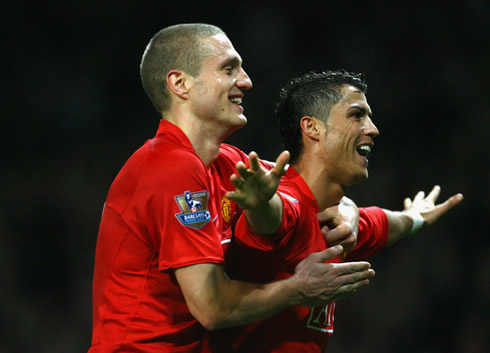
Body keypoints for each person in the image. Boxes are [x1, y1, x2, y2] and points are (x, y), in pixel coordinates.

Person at [88, 25, 376, 353]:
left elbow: (310, 185)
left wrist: (346, 209)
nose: (246, 81)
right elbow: (213, 308)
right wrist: (299, 288)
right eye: (228, 69)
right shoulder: (168, 168)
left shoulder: (225, 163)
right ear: (180, 84)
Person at [210, 70, 463, 352]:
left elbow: (388, 223)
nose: (373, 129)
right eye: (357, 115)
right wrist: (258, 204)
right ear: (313, 128)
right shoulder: (287, 203)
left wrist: (417, 217)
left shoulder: (337, 225)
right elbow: (272, 219)